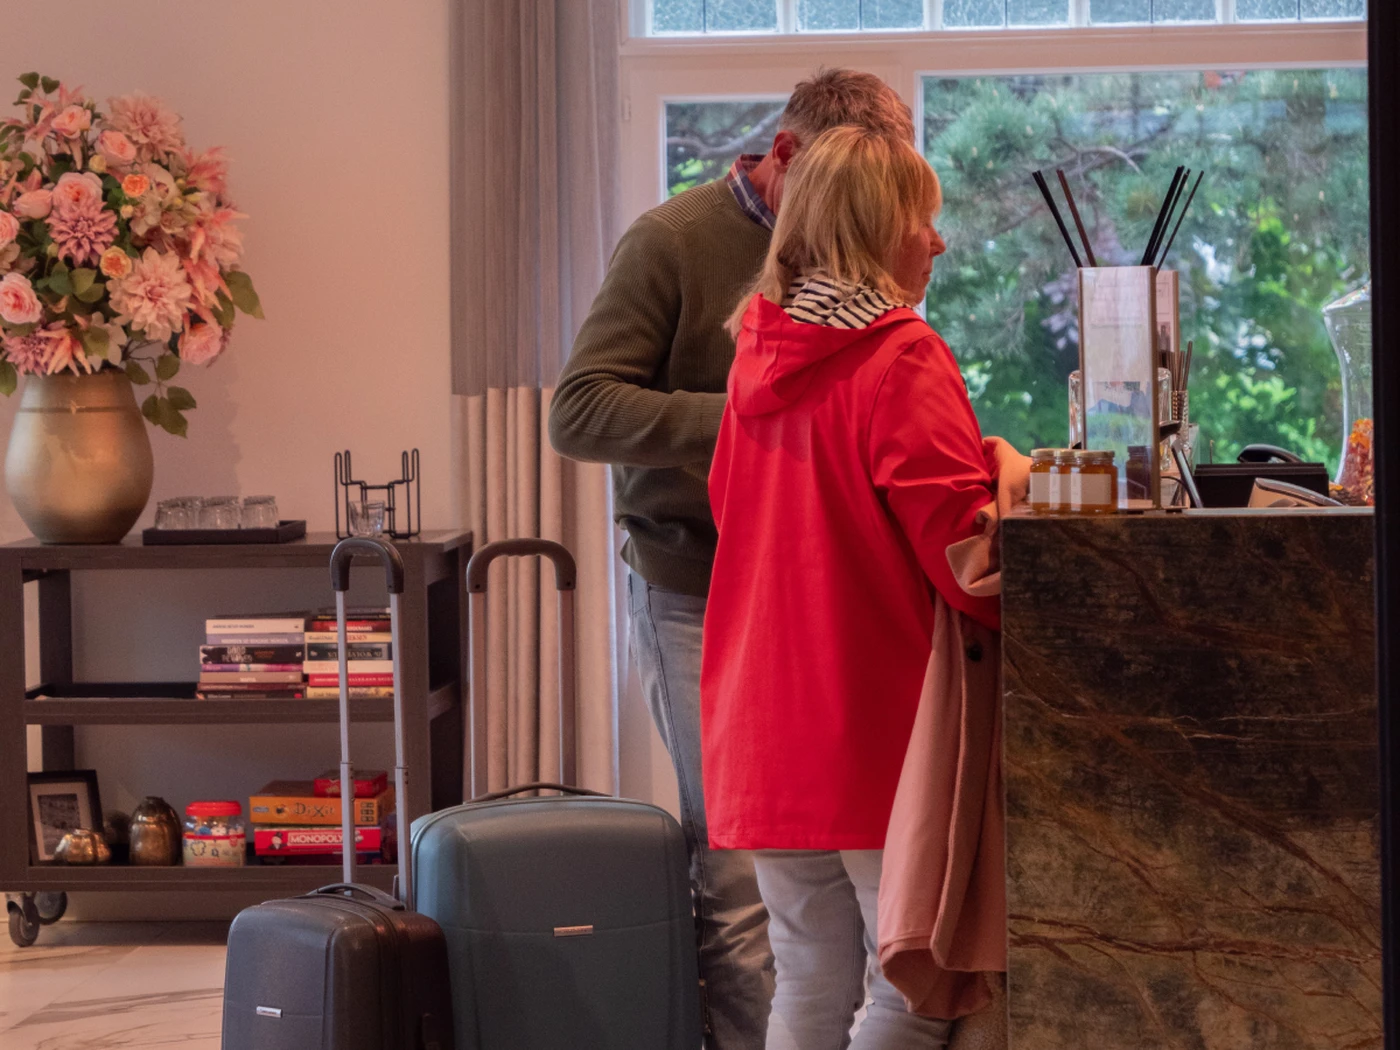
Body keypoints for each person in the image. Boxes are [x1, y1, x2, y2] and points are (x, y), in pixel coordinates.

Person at [549, 69, 917, 1049]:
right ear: (783, 154)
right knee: (738, 866)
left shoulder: (847, 237)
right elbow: (578, 410)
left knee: (829, 875)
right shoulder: (671, 241)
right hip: (696, 584)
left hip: (815, 594)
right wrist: (757, 417)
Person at [701, 124, 1002, 1050]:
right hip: (876, 718)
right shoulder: (901, 357)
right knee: (909, 988)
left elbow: (727, 509)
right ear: (876, 230)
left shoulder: (756, 353)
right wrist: (1011, 480)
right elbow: (965, 559)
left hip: (762, 718)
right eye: (923, 220)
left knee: (807, 976)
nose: (938, 241)